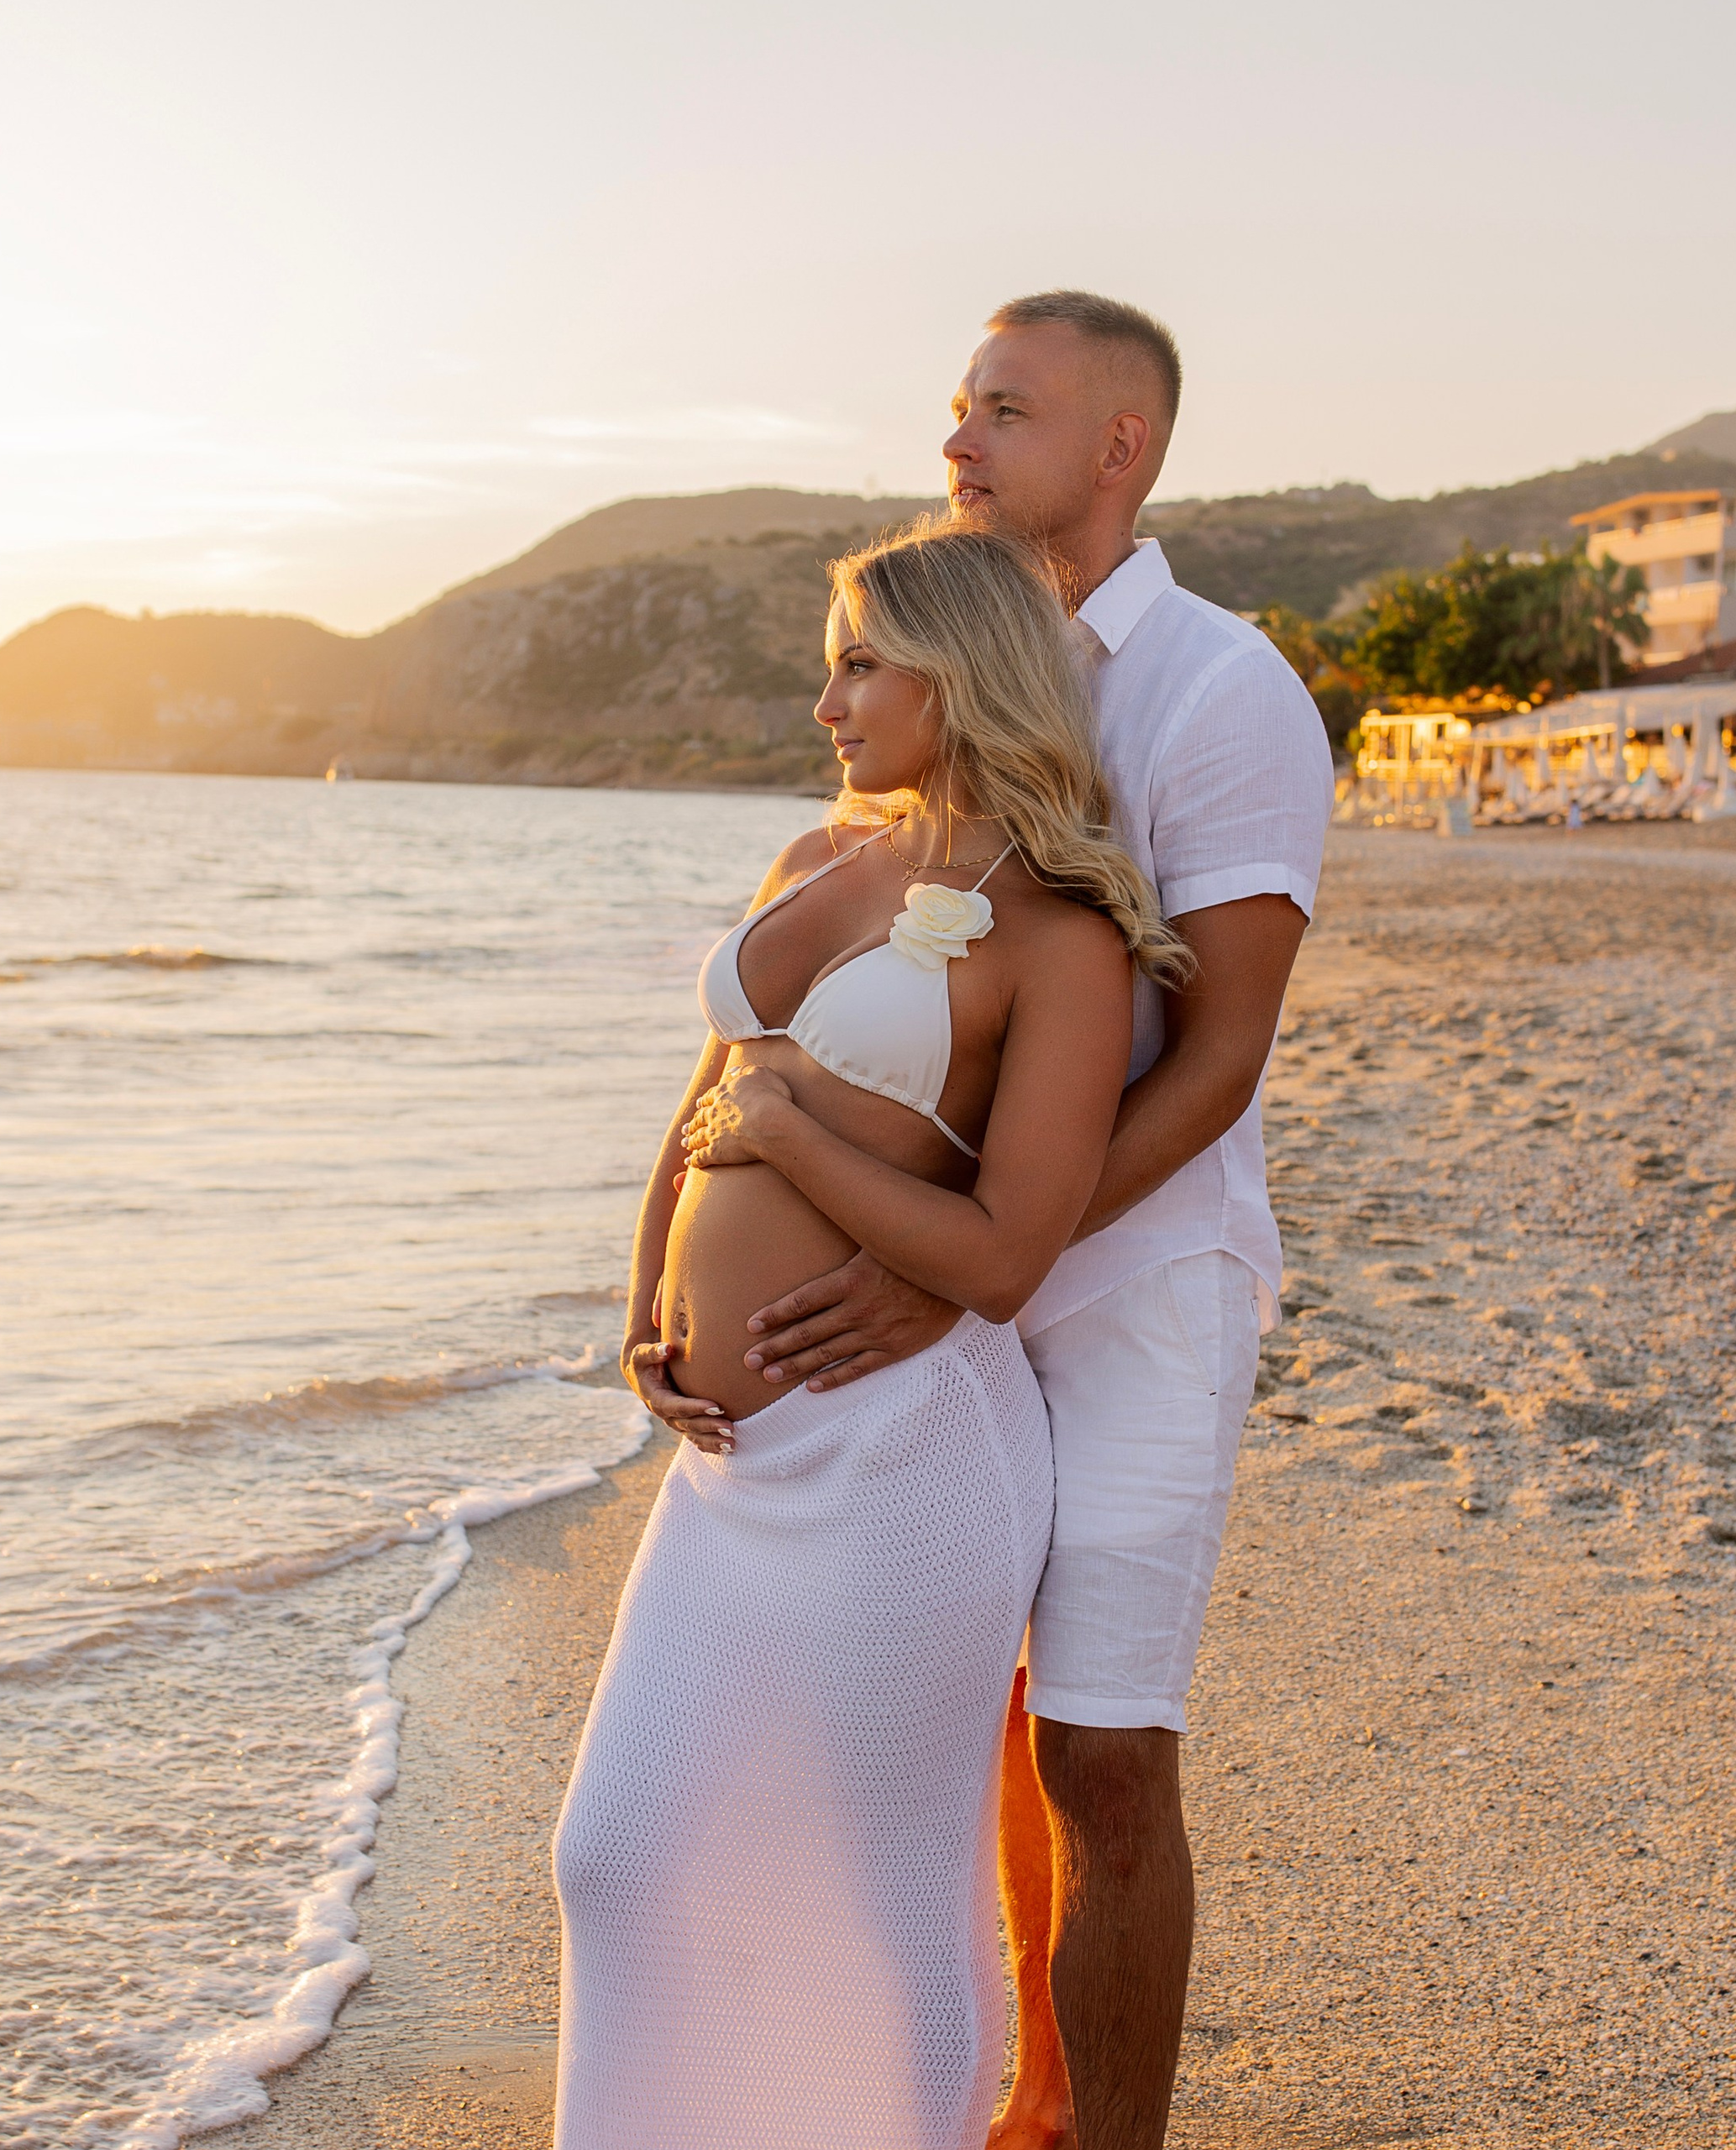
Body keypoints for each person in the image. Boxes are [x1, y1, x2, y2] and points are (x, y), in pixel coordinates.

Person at [636, 292, 1334, 2150]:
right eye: (954, 408)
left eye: (1002, 413)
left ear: (1119, 446)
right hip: (941, 1274)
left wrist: (959, 1267)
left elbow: (1219, 1061)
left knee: (1099, 1742)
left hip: (1130, 1284)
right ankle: (1003, 2093)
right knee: (974, 1715)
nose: (955, 444)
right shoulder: (945, 660)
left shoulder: (1212, 685)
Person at [554, 518, 1195, 2150]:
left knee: (877, 1883)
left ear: (958, 675)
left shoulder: (1059, 934)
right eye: (828, 660)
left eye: (858, 660)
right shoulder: (812, 860)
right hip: (731, 1464)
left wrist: (792, 1135)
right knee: (618, 1852)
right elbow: (713, 1092)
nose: (825, 697)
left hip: (902, 1455)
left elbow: (1003, 1250)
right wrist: (647, 1299)